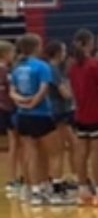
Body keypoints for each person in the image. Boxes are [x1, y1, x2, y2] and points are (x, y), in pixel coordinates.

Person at [8, 33, 55, 206]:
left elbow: (12, 91)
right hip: (41, 114)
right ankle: (41, 187)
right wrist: (33, 102)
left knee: (30, 151)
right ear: (37, 47)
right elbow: (43, 90)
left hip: (22, 115)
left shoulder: (17, 67)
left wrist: (22, 102)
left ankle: (32, 188)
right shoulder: (42, 66)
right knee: (48, 152)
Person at [67, 29, 98, 205]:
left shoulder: (71, 66)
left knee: (81, 153)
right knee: (96, 155)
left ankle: (83, 188)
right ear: (88, 43)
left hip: (79, 114)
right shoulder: (95, 64)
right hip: (95, 113)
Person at [44, 41, 76, 203]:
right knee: (59, 150)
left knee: (69, 145)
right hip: (58, 113)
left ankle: (63, 179)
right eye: (63, 50)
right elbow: (65, 93)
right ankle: (56, 186)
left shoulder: (54, 69)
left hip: (59, 113)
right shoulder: (53, 69)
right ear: (57, 53)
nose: (65, 53)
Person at [0, 39, 21, 194]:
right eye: (12, 52)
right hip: (10, 110)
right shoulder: (6, 72)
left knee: (13, 144)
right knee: (16, 144)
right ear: (5, 54)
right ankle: (13, 179)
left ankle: (13, 178)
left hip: (4, 110)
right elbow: (9, 93)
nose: (14, 56)